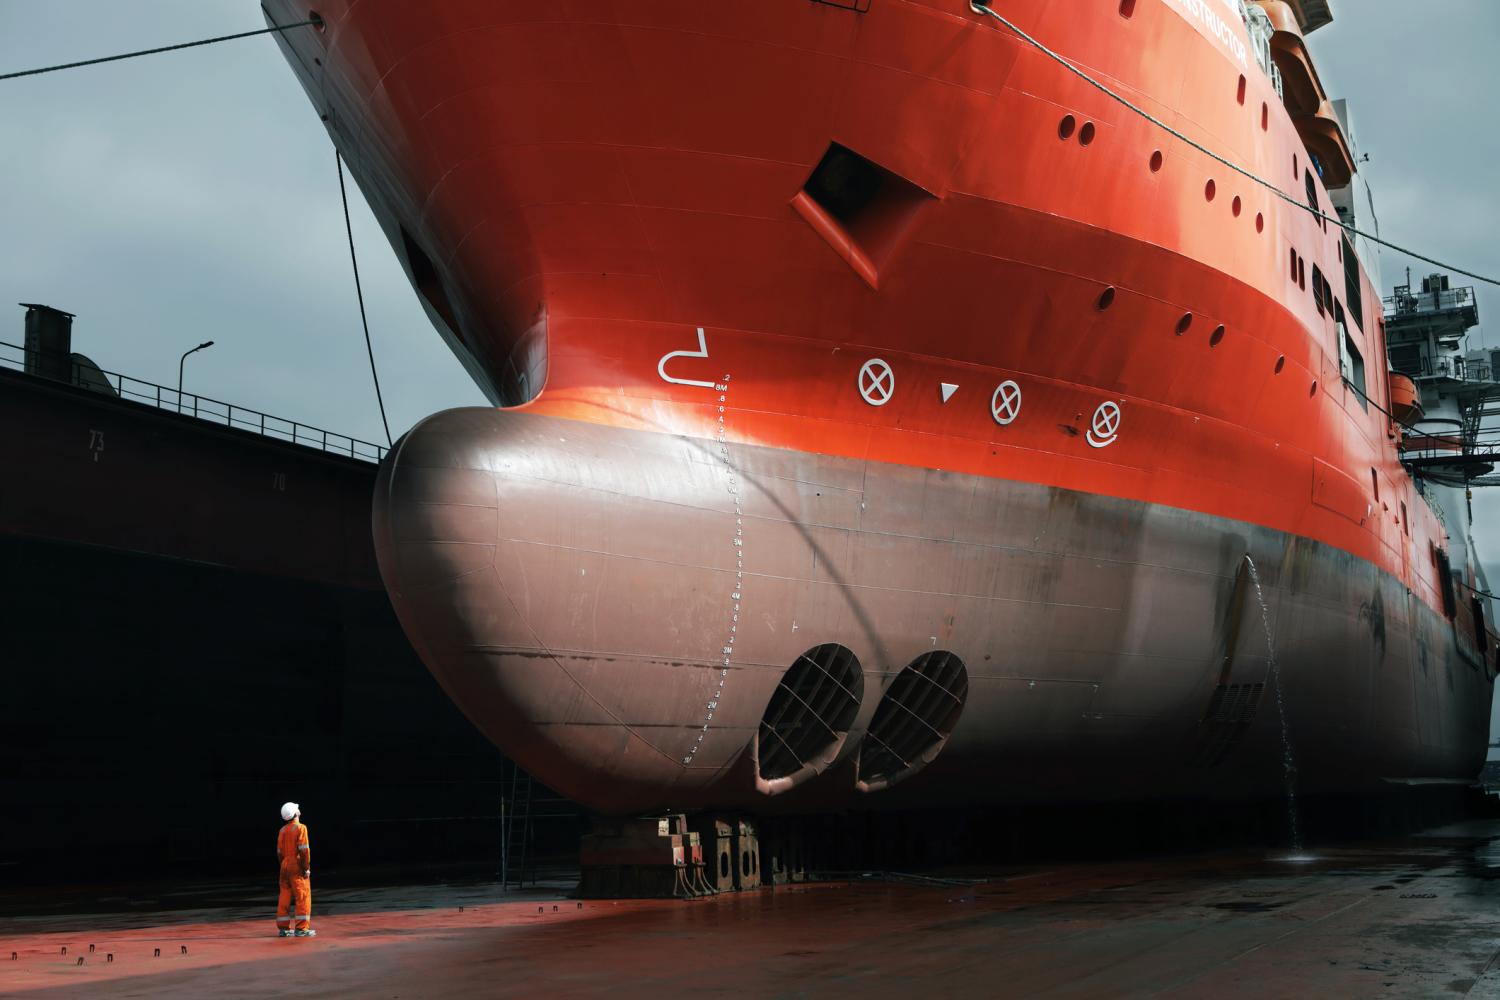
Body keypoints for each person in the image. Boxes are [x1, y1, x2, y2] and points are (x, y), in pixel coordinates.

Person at [275, 802, 315, 938]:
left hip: (284, 865)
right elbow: (304, 850)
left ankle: (284, 928)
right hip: (296, 865)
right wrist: (306, 868)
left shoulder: (282, 830)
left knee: (284, 896)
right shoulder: (301, 828)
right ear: (295, 813)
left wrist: (284, 864)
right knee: (302, 896)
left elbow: (279, 852)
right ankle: (301, 928)